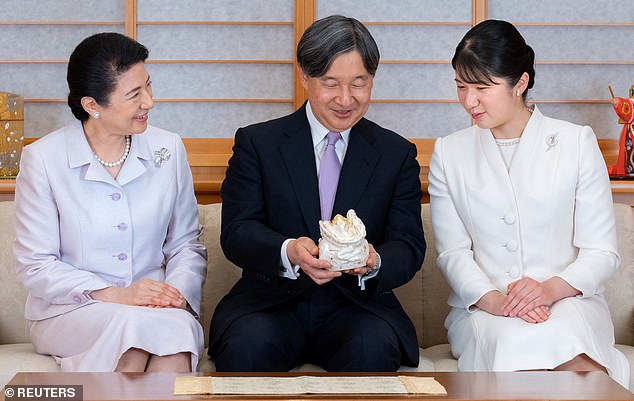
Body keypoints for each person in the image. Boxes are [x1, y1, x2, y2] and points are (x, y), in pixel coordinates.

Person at [209, 15, 426, 372]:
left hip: (358, 306)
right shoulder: (258, 143)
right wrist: (288, 251)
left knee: (372, 347)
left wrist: (374, 262)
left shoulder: (395, 154)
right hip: (270, 303)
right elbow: (237, 232)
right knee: (247, 346)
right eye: (330, 83)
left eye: (359, 83)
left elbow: (409, 245)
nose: (345, 99)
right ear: (304, 77)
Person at [428, 19, 629, 387]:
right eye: (461, 86)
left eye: (482, 87)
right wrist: (495, 300)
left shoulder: (576, 143)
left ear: (520, 83)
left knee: (574, 350)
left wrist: (549, 290)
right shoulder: (449, 153)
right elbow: (452, 253)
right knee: (511, 339)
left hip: (570, 302)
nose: (469, 100)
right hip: (486, 309)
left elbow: (601, 253)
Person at [13, 32, 207, 372]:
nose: (149, 102)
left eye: (148, 86)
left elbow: (186, 245)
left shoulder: (168, 148)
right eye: (134, 94)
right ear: (92, 105)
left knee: (173, 333)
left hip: (155, 310)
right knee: (134, 333)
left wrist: (173, 295)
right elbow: (37, 265)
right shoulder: (43, 159)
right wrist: (117, 294)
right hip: (71, 310)